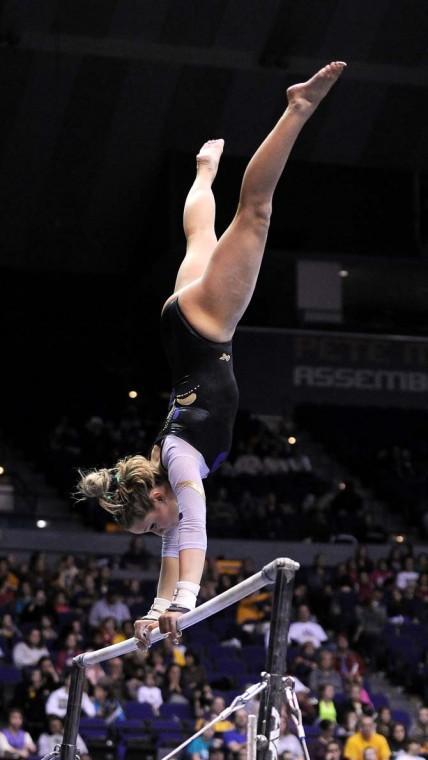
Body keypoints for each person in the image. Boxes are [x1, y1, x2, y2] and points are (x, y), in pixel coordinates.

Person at [77, 62, 347, 643]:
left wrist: (186, 601)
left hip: (208, 327)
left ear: (153, 496)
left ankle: (297, 107)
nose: (158, 534)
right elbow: (176, 540)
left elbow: (193, 525)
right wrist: (157, 609)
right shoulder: (162, 469)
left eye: (148, 525)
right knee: (201, 238)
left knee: (256, 211)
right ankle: (204, 173)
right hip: (180, 324)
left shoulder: (176, 466)